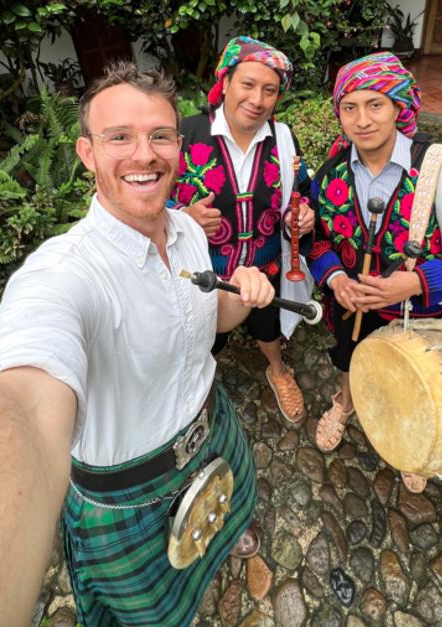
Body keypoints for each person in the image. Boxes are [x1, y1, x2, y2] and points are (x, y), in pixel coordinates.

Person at [0, 61, 273, 627]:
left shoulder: (190, 232)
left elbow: (211, 321)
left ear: (179, 147)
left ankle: (223, 537)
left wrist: (242, 296)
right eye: (120, 137)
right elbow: (23, 397)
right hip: (131, 499)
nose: (144, 155)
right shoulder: (64, 274)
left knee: (226, 522)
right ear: (87, 152)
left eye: (160, 136)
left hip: (215, 430)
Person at [306, 52, 442, 493]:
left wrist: (415, 282)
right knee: (349, 356)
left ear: (399, 106)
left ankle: (411, 433)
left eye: (375, 104)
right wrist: (336, 279)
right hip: (352, 304)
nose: (362, 120)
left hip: (421, 312)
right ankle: (345, 402)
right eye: (349, 107)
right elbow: (315, 239)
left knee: (414, 379)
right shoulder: (332, 171)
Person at [170, 36, 315, 424]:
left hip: (266, 267)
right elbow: (150, 200)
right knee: (207, 338)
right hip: (208, 274)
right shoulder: (184, 136)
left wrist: (302, 214)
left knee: (268, 324)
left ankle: (277, 369)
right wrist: (183, 215)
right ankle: (197, 387)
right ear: (225, 83)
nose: (257, 99)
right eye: (247, 84)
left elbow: (302, 189)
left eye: (270, 90)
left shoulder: (284, 139)